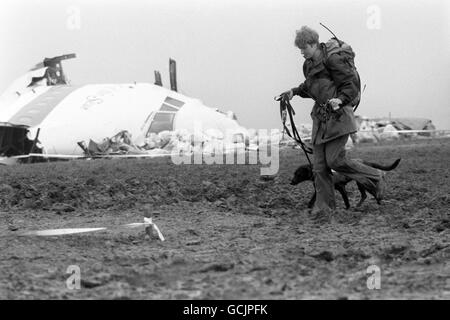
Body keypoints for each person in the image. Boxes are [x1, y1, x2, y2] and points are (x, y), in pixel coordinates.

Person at [282, 26, 385, 220]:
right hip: (321, 119)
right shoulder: (308, 65)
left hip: (338, 117)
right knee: (319, 167)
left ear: (313, 44)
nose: (301, 52)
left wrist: (340, 99)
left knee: (335, 160)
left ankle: (375, 176)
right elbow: (311, 87)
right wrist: (294, 91)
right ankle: (325, 209)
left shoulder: (333, 60)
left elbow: (350, 85)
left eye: (303, 48)